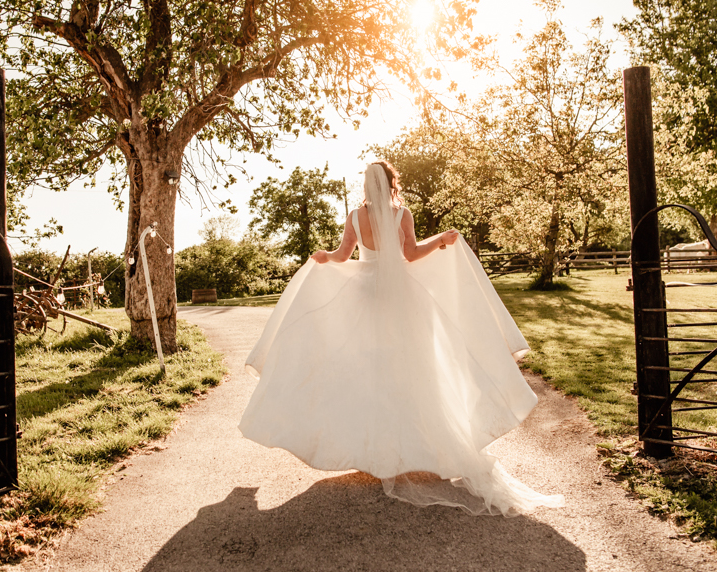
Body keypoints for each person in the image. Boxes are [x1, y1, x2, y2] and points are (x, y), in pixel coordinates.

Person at [238, 161, 563, 515]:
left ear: (366, 185)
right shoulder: (401, 214)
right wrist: (439, 241)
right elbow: (410, 254)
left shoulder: (354, 217)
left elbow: (342, 255)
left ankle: (374, 452)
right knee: (412, 369)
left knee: (368, 369)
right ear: (392, 183)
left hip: (366, 297)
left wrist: (323, 258)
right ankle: (416, 448)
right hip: (403, 300)